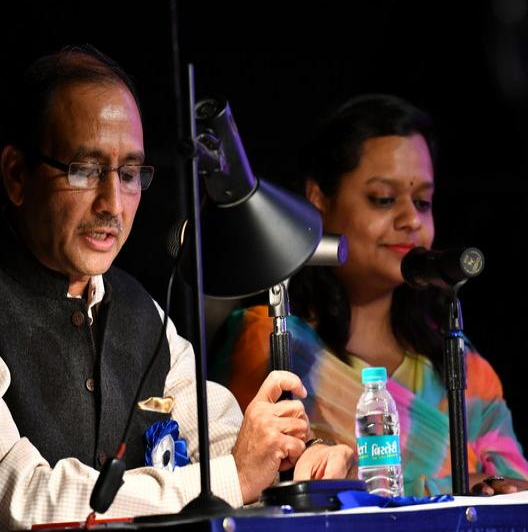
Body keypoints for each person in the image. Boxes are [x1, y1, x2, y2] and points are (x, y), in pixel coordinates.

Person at [0, 45, 354, 530]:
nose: (112, 204)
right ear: (17, 175)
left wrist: (294, 461)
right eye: (85, 170)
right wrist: (235, 477)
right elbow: (19, 499)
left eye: (129, 174)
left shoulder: (143, 313)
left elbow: (223, 442)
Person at [216, 94, 528, 497]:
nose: (411, 219)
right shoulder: (272, 343)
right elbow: (260, 482)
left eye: (422, 202)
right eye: (383, 199)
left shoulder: (462, 362)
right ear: (319, 200)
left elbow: (516, 493)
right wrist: (455, 487)